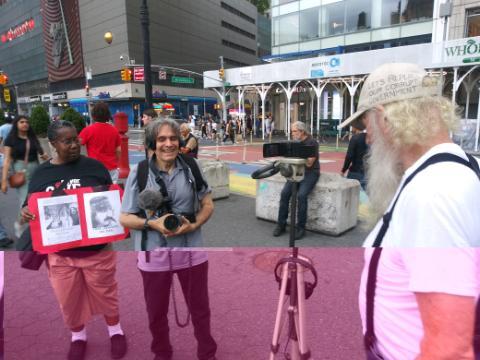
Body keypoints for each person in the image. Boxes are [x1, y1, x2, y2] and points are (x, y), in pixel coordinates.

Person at [337, 63, 480, 359]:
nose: (368, 138)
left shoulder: (434, 192)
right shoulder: (453, 171)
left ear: (387, 121)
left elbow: (449, 350)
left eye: (368, 126)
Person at [20, 120, 127, 360]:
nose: (74, 144)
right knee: (68, 300)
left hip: (97, 251)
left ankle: (115, 331)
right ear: (53, 144)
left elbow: (111, 199)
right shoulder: (41, 173)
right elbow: (28, 205)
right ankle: (78, 336)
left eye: (76, 139)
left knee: (106, 293)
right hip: (60, 256)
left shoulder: (94, 167)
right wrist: (25, 211)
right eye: (67, 141)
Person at [119, 118, 217, 360]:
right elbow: (124, 217)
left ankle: (207, 353)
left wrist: (193, 224)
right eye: (162, 139)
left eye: (173, 138)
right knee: (156, 313)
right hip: (154, 255)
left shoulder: (192, 167)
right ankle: (162, 353)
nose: (168, 143)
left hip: (191, 250)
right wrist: (151, 223)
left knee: (200, 310)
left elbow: (207, 203)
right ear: (153, 143)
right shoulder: (139, 172)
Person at [1, 115, 49, 238]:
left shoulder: (32, 138)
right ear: (16, 124)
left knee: (38, 199)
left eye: (27, 122)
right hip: (21, 172)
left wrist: (48, 158)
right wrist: (4, 181)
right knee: (26, 202)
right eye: (22, 122)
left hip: (37, 171)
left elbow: (43, 154)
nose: (25, 124)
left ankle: (37, 228)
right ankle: (20, 222)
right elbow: (6, 160)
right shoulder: (10, 140)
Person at [273, 121, 320, 240]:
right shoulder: (294, 142)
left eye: (294, 131)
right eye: (292, 131)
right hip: (296, 170)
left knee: (302, 195)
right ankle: (281, 224)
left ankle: (301, 228)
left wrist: (298, 155)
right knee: (284, 194)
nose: (292, 134)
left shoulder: (312, 142)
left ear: (302, 131)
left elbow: (309, 163)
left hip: (310, 173)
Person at [79, 102, 121, 183]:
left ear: (93, 115)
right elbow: (119, 150)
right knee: (111, 191)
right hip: (111, 167)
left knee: (95, 191)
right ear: (108, 115)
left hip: (94, 167)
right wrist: (116, 161)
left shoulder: (88, 130)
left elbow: (77, 144)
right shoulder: (114, 130)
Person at [340, 126, 368, 190]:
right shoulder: (370, 137)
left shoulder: (355, 138)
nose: (351, 128)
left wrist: (343, 170)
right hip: (367, 172)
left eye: (352, 126)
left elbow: (349, 156)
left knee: (349, 192)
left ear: (356, 126)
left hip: (356, 171)